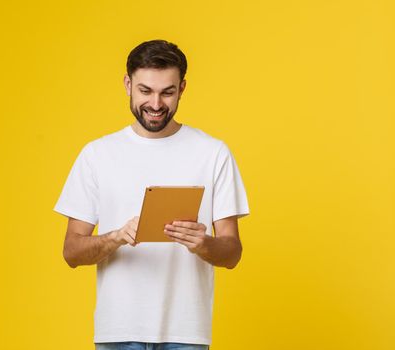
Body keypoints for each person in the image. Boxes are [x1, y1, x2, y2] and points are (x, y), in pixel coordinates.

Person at [54, 39, 250, 350]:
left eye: (167, 92)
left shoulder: (213, 153)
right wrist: (115, 237)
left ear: (182, 88)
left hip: (186, 335)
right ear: (127, 84)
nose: (156, 104)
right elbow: (71, 251)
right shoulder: (97, 155)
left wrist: (204, 244)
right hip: (118, 332)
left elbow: (232, 252)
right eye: (145, 91)